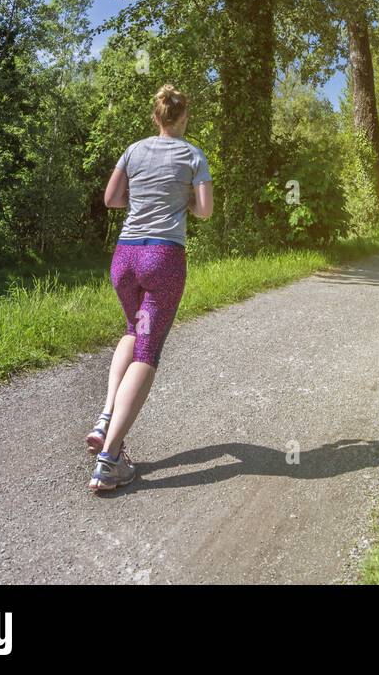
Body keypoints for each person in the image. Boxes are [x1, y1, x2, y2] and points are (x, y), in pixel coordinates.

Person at [87, 83, 213, 493]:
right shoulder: (193, 154)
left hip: (125, 257)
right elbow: (205, 211)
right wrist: (184, 204)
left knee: (132, 329)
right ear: (183, 117)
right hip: (163, 258)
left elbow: (111, 199)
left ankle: (106, 416)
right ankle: (109, 459)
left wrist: (140, 201)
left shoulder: (133, 150)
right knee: (147, 350)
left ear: (156, 117)